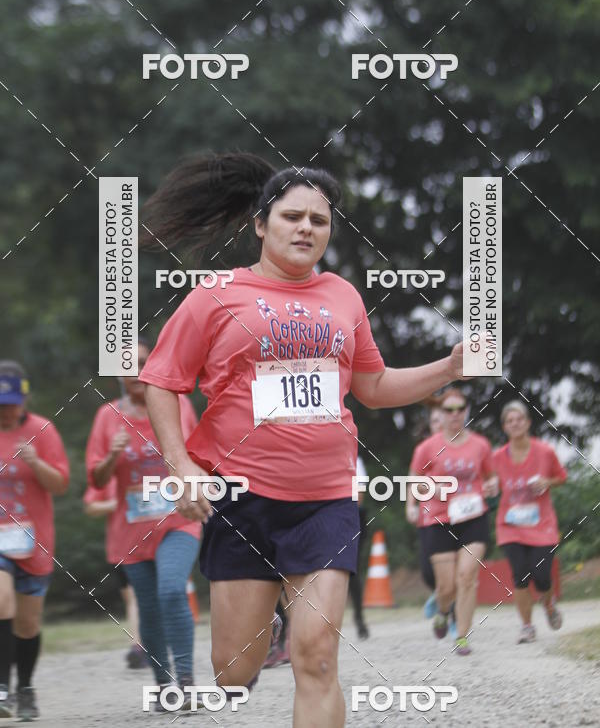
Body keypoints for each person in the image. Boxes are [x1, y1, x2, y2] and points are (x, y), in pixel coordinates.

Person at [137, 151, 465, 727]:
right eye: (292, 217)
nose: (306, 228)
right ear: (260, 225)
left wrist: (449, 367)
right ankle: (272, 619)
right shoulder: (216, 295)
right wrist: (182, 465)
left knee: (317, 659)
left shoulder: (342, 296)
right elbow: (162, 381)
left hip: (325, 500)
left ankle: (301, 620)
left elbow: (374, 385)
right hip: (242, 498)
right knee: (234, 672)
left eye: (319, 220)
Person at [85, 338, 200, 707]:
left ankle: (185, 679)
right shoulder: (107, 417)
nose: (136, 371)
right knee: (148, 609)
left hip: (178, 520)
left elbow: (199, 453)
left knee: (171, 590)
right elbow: (97, 481)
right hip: (131, 532)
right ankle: (164, 685)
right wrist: (111, 456)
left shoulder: (178, 405)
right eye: (128, 365)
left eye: (143, 362)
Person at [0, 361, 69, 721]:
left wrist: (36, 462)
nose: (6, 410)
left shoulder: (42, 430)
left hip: (33, 541)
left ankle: (24, 687)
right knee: (0, 601)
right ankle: (1, 688)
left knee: (27, 624)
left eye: (11, 402)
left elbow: (60, 485)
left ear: (24, 398)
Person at [410, 387, 495, 655]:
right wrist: (427, 492)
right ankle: (443, 611)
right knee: (446, 586)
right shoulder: (427, 448)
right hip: (438, 519)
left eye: (460, 409)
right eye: (449, 410)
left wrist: (492, 486)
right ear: (441, 414)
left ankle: (462, 636)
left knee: (467, 576)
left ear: (466, 411)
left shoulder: (481, 445)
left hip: (473, 516)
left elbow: (491, 476)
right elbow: (413, 482)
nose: (455, 414)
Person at [492, 399, 567, 643]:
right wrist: (489, 487)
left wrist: (547, 482)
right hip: (510, 526)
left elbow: (561, 477)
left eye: (519, 419)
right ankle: (527, 627)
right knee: (520, 576)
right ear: (505, 427)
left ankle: (548, 605)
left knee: (542, 577)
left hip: (541, 526)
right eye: (509, 421)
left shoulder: (545, 451)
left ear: (527, 423)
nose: (515, 424)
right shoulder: (496, 458)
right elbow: (487, 483)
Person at [83, 476, 146, 668]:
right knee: (133, 598)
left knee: (146, 597)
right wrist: (117, 502)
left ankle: (142, 646)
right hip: (122, 547)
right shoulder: (110, 475)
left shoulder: (156, 468)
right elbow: (91, 506)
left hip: (156, 543)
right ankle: (139, 647)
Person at [407, 401, 458, 635]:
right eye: (435, 420)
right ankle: (441, 595)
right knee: (429, 573)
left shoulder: (461, 446)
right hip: (430, 517)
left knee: (458, 570)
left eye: (442, 418)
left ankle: (452, 615)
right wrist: (411, 505)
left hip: (459, 516)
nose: (440, 424)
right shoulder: (426, 449)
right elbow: (414, 478)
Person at [347, 454, 369, 639]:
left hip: (351, 516)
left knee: (353, 570)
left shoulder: (355, 460)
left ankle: (359, 617)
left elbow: (360, 495)